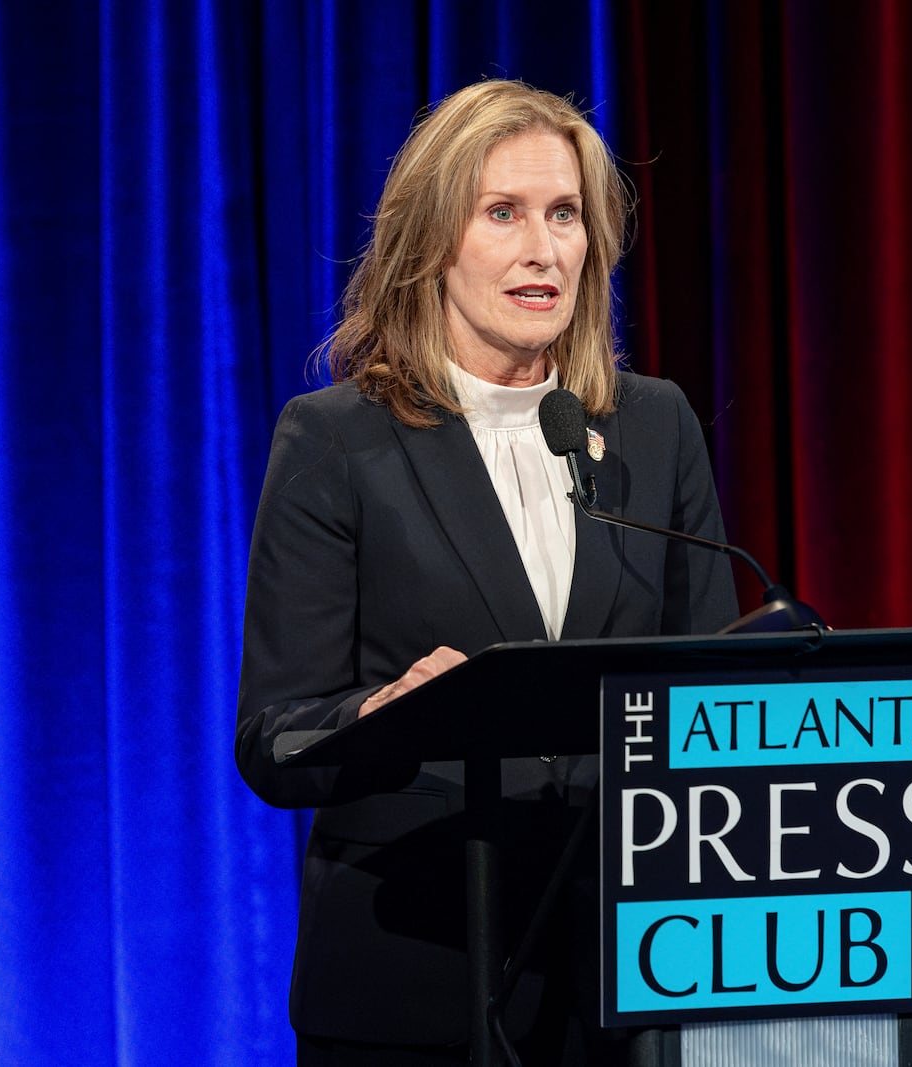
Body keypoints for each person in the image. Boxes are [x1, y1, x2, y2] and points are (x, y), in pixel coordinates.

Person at [235, 79, 739, 1065]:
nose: (541, 248)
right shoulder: (339, 439)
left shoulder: (653, 424)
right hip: (415, 968)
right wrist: (385, 711)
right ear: (433, 242)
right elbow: (274, 737)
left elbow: (705, 693)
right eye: (501, 213)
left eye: (564, 214)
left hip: (626, 976)